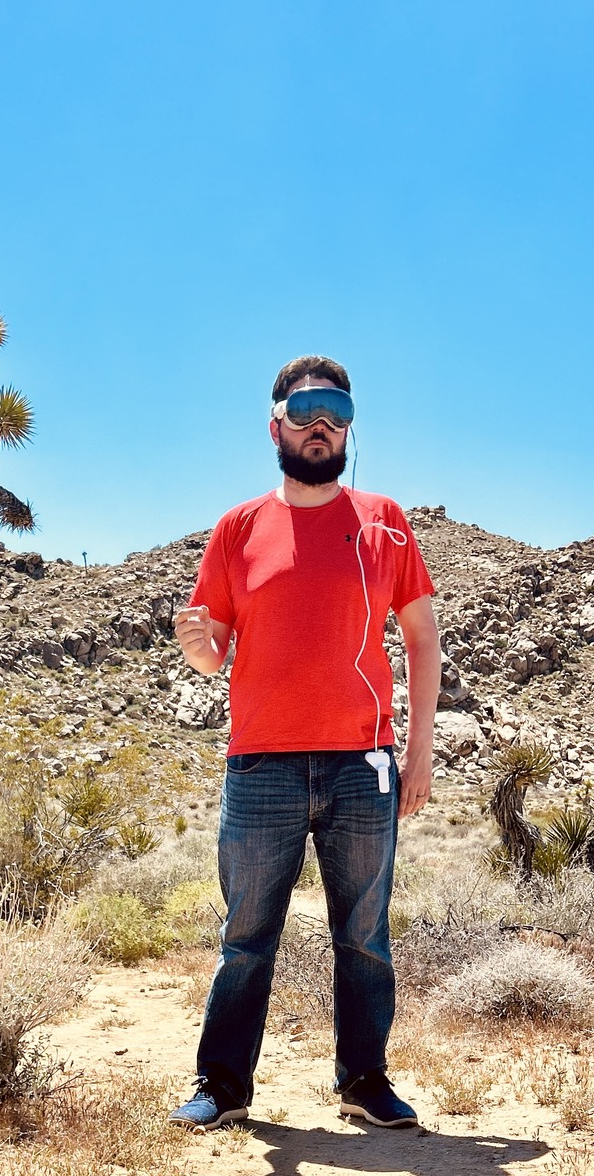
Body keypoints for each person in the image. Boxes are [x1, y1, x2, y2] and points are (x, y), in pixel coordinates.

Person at [169, 356, 441, 1132]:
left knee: (364, 934)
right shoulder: (237, 528)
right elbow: (212, 651)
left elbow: (423, 637)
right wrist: (195, 648)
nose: (321, 427)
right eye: (305, 411)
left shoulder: (385, 520)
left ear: (349, 426)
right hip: (261, 764)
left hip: (365, 763)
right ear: (276, 424)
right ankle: (222, 1086)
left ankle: (365, 1080)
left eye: (337, 413)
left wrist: (418, 750)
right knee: (247, 934)